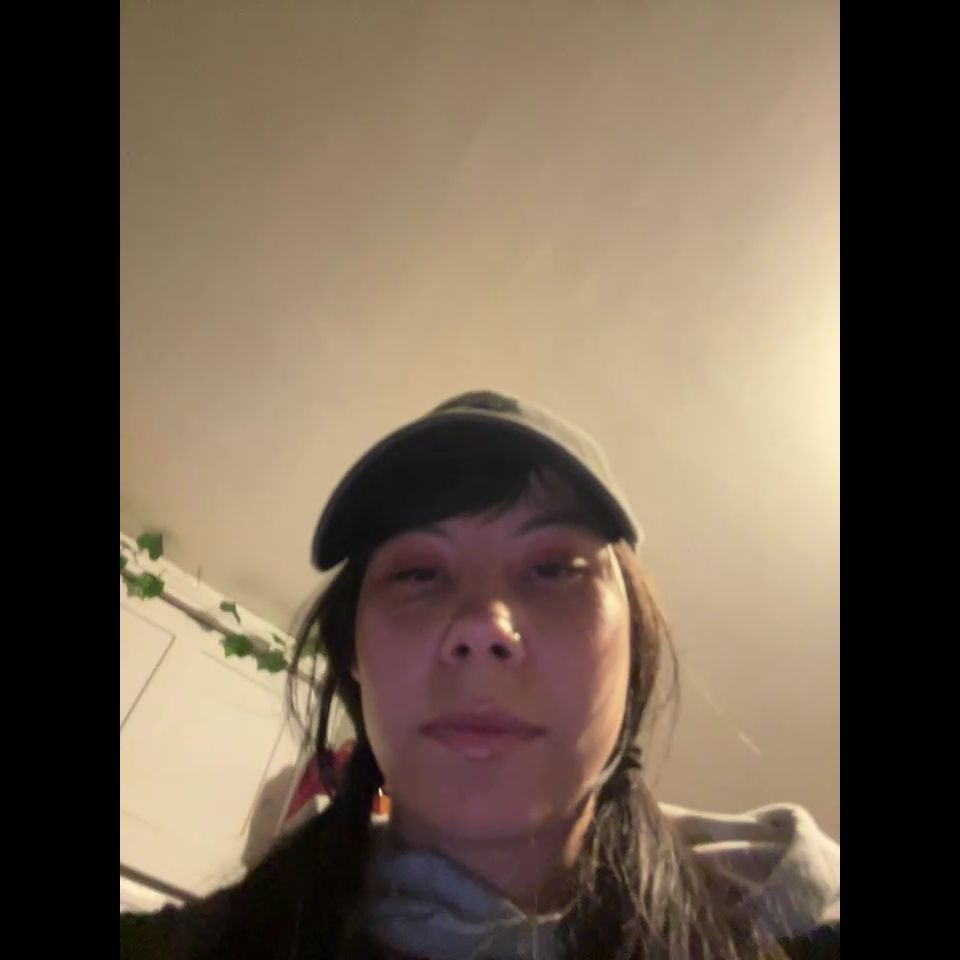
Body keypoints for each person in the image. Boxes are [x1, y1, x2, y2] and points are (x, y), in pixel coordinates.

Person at [120, 390, 840, 960]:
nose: (482, 626)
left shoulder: (800, 928)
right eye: (418, 573)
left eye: (553, 568)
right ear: (354, 657)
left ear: (635, 649)